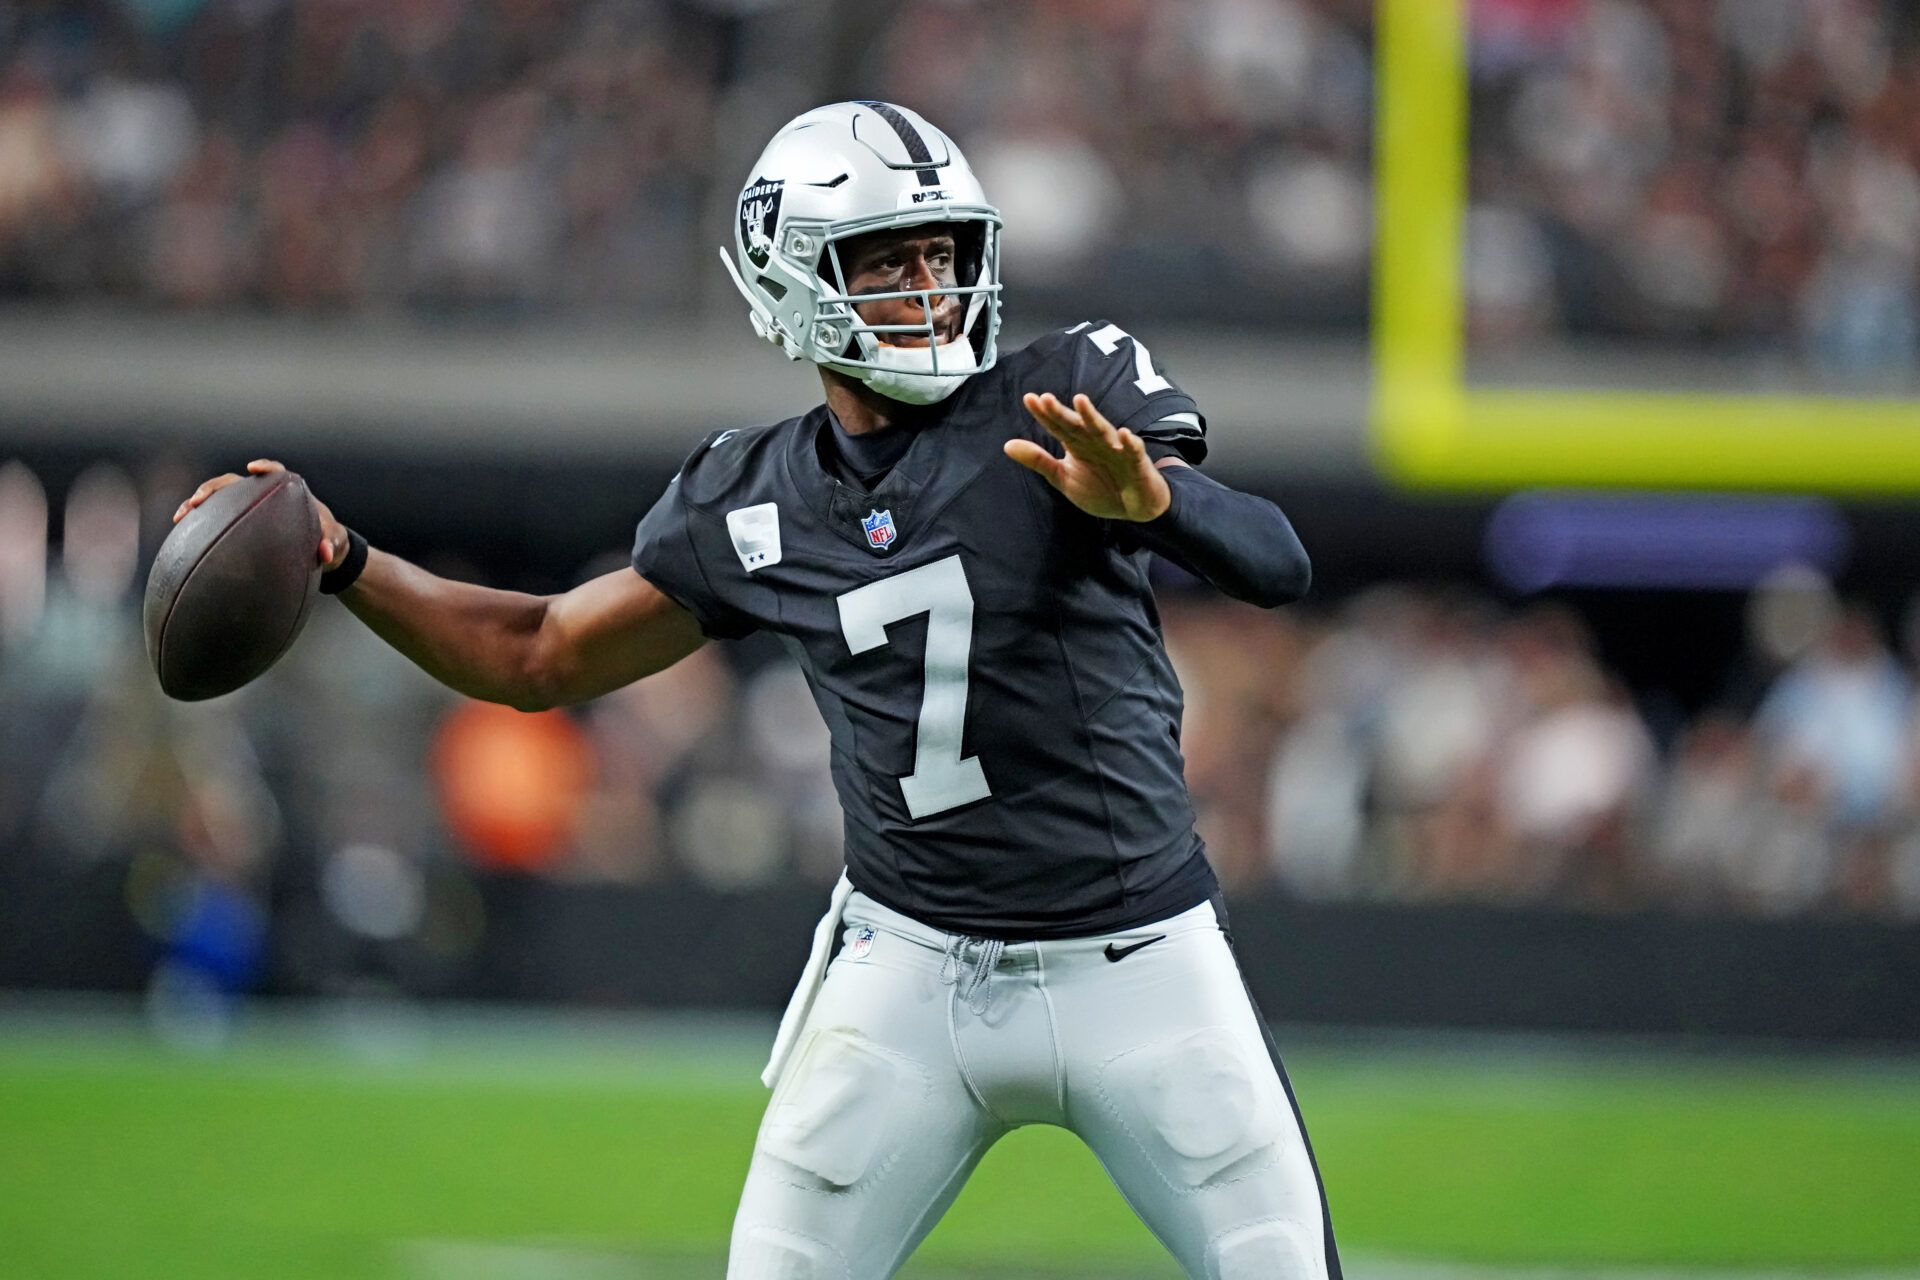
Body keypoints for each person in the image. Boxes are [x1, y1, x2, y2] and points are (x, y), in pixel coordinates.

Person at [175, 101, 1334, 1280]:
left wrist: (1159, 506)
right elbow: (538, 652)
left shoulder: (1063, 398)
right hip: (910, 976)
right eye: (887, 259)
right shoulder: (754, 494)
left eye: (942, 252)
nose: (930, 285)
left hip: (1139, 959)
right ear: (795, 280)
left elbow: (1277, 562)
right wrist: (350, 561)